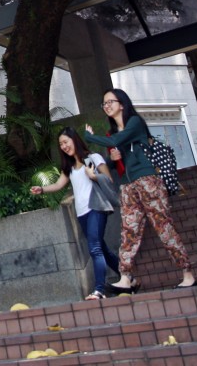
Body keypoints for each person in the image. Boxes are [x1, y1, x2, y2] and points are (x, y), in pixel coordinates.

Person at [84, 88, 196, 291]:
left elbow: (115, 142)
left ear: (122, 104)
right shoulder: (113, 133)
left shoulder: (134, 122)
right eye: (104, 103)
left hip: (147, 181)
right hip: (128, 186)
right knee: (129, 231)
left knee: (163, 227)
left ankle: (187, 273)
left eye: (110, 102)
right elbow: (116, 152)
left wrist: (89, 137)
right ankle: (126, 277)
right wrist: (112, 160)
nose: (107, 106)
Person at [29, 127, 121, 300]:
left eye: (66, 142)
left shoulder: (93, 158)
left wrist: (93, 176)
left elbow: (108, 180)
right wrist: (41, 189)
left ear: (74, 140)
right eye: (61, 144)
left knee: (94, 248)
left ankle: (99, 290)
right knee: (102, 248)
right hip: (82, 213)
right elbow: (58, 185)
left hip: (96, 207)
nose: (63, 146)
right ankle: (127, 276)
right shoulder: (69, 167)